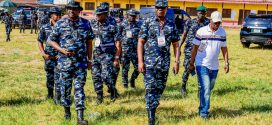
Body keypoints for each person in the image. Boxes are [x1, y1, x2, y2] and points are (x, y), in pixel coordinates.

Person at [48, 2, 94, 125]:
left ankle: (80, 118)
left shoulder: (85, 23)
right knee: (65, 89)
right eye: (69, 9)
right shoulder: (60, 24)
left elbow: (89, 42)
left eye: (74, 9)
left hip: (81, 63)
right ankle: (67, 112)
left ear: (79, 11)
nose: (71, 11)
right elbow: (50, 40)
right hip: (64, 63)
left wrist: (90, 60)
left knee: (79, 89)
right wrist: (62, 50)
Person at [138, 0, 180, 124]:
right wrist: (140, 61)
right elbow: (140, 42)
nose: (160, 9)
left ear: (166, 9)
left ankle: (153, 104)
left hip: (164, 63)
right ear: (155, 9)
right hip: (150, 63)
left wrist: (176, 62)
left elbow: (176, 45)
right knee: (150, 88)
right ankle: (151, 117)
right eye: (158, 8)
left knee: (160, 88)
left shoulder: (171, 24)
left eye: (162, 8)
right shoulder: (148, 22)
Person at [189, 11, 229, 119]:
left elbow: (224, 48)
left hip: (214, 66)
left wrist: (226, 62)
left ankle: (201, 107)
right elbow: (195, 48)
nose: (217, 25)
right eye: (215, 22)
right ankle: (204, 113)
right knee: (206, 88)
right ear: (210, 20)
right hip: (201, 64)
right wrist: (191, 63)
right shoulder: (201, 31)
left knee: (208, 88)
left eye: (219, 23)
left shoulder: (222, 32)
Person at [91, 6, 121, 105]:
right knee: (95, 76)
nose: (97, 16)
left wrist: (116, 58)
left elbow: (118, 43)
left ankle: (113, 91)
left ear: (105, 14)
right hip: (96, 55)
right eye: (96, 14)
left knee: (105, 76)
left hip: (108, 55)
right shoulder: (93, 24)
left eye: (100, 14)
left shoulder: (112, 26)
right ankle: (99, 97)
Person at [180, 6, 210, 95]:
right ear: (197, 13)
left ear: (205, 13)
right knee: (188, 68)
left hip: (202, 50)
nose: (200, 14)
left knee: (201, 69)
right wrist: (179, 46)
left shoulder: (208, 23)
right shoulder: (190, 22)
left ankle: (199, 90)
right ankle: (183, 86)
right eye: (199, 13)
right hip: (190, 49)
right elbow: (184, 35)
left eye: (202, 13)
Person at [38, 7, 62, 104]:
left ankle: (58, 97)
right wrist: (43, 54)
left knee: (59, 77)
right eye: (56, 14)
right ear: (51, 15)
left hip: (59, 57)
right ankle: (50, 94)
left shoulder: (62, 27)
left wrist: (61, 53)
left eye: (59, 14)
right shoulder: (45, 27)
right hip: (49, 57)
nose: (58, 16)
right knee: (49, 76)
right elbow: (40, 41)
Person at [118, 9, 141, 89]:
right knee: (125, 68)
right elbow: (118, 36)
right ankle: (125, 85)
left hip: (135, 50)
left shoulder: (139, 24)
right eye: (131, 16)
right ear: (127, 15)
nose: (133, 17)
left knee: (138, 68)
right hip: (125, 50)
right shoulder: (122, 24)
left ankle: (132, 79)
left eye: (134, 16)